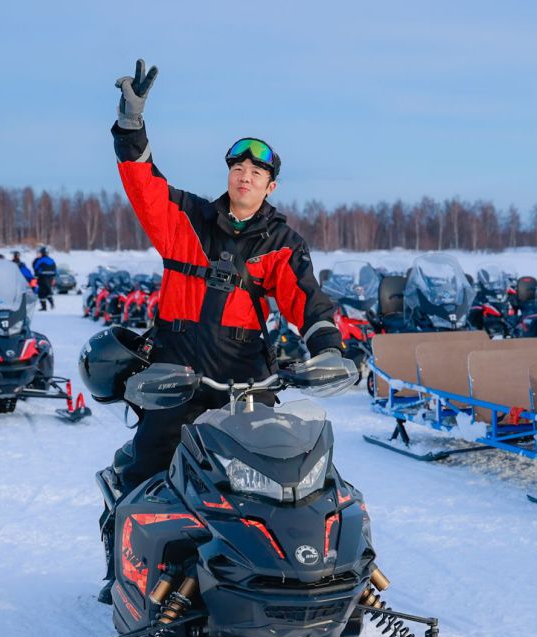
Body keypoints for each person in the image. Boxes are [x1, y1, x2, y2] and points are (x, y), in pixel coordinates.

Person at [83, 58, 344, 603]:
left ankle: (274, 581)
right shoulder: (188, 221)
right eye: (236, 167)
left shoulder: (281, 242)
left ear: (271, 185)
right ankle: (125, 576)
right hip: (176, 376)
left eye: (256, 171)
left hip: (246, 387)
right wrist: (131, 125)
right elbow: (143, 183)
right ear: (228, 175)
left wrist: (328, 347)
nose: (244, 175)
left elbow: (308, 301)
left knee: (282, 482)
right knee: (152, 472)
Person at [32, 246, 57, 310]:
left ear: (42, 253)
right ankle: (52, 303)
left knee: (41, 292)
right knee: (48, 291)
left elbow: (35, 267)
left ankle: (44, 307)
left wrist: (35, 277)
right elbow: (55, 269)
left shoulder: (40, 260)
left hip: (42, 278)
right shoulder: (51, 260)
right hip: (50, 279)